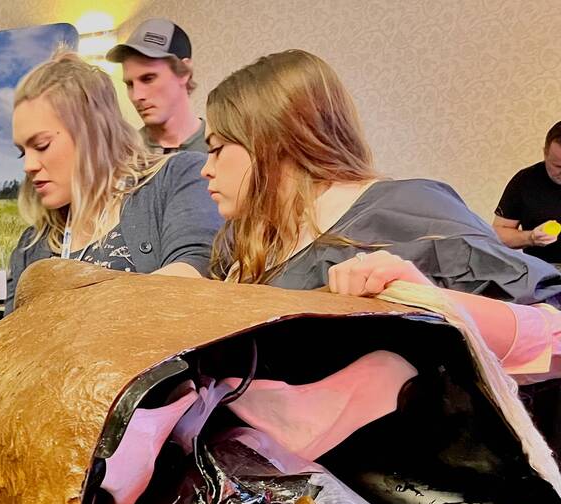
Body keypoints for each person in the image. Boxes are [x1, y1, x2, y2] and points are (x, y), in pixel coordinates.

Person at [198, 49, 561, 443]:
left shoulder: (406, 212)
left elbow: (554, 333)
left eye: (217, 147)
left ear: (272, 141)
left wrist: (431, 302)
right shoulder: (245, 245)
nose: (206, 168)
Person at [6, 49, 222, 310]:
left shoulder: (177, 178)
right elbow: (13, 341)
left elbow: (197, 272)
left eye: (41, 145)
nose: (28, 166)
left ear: (91, 133)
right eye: (22, 153)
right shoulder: (31, 246)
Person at [108, 17, 208, 154]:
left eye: (148, 79)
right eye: (130, 84)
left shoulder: (223, 150)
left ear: (184, 72)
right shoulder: (122, 155)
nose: (137, 96)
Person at [494, 121, 561, 267]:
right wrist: (530, 238)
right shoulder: (526, 180)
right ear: (545, 153)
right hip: (543, 270)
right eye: (558, 166)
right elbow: (498, 234)